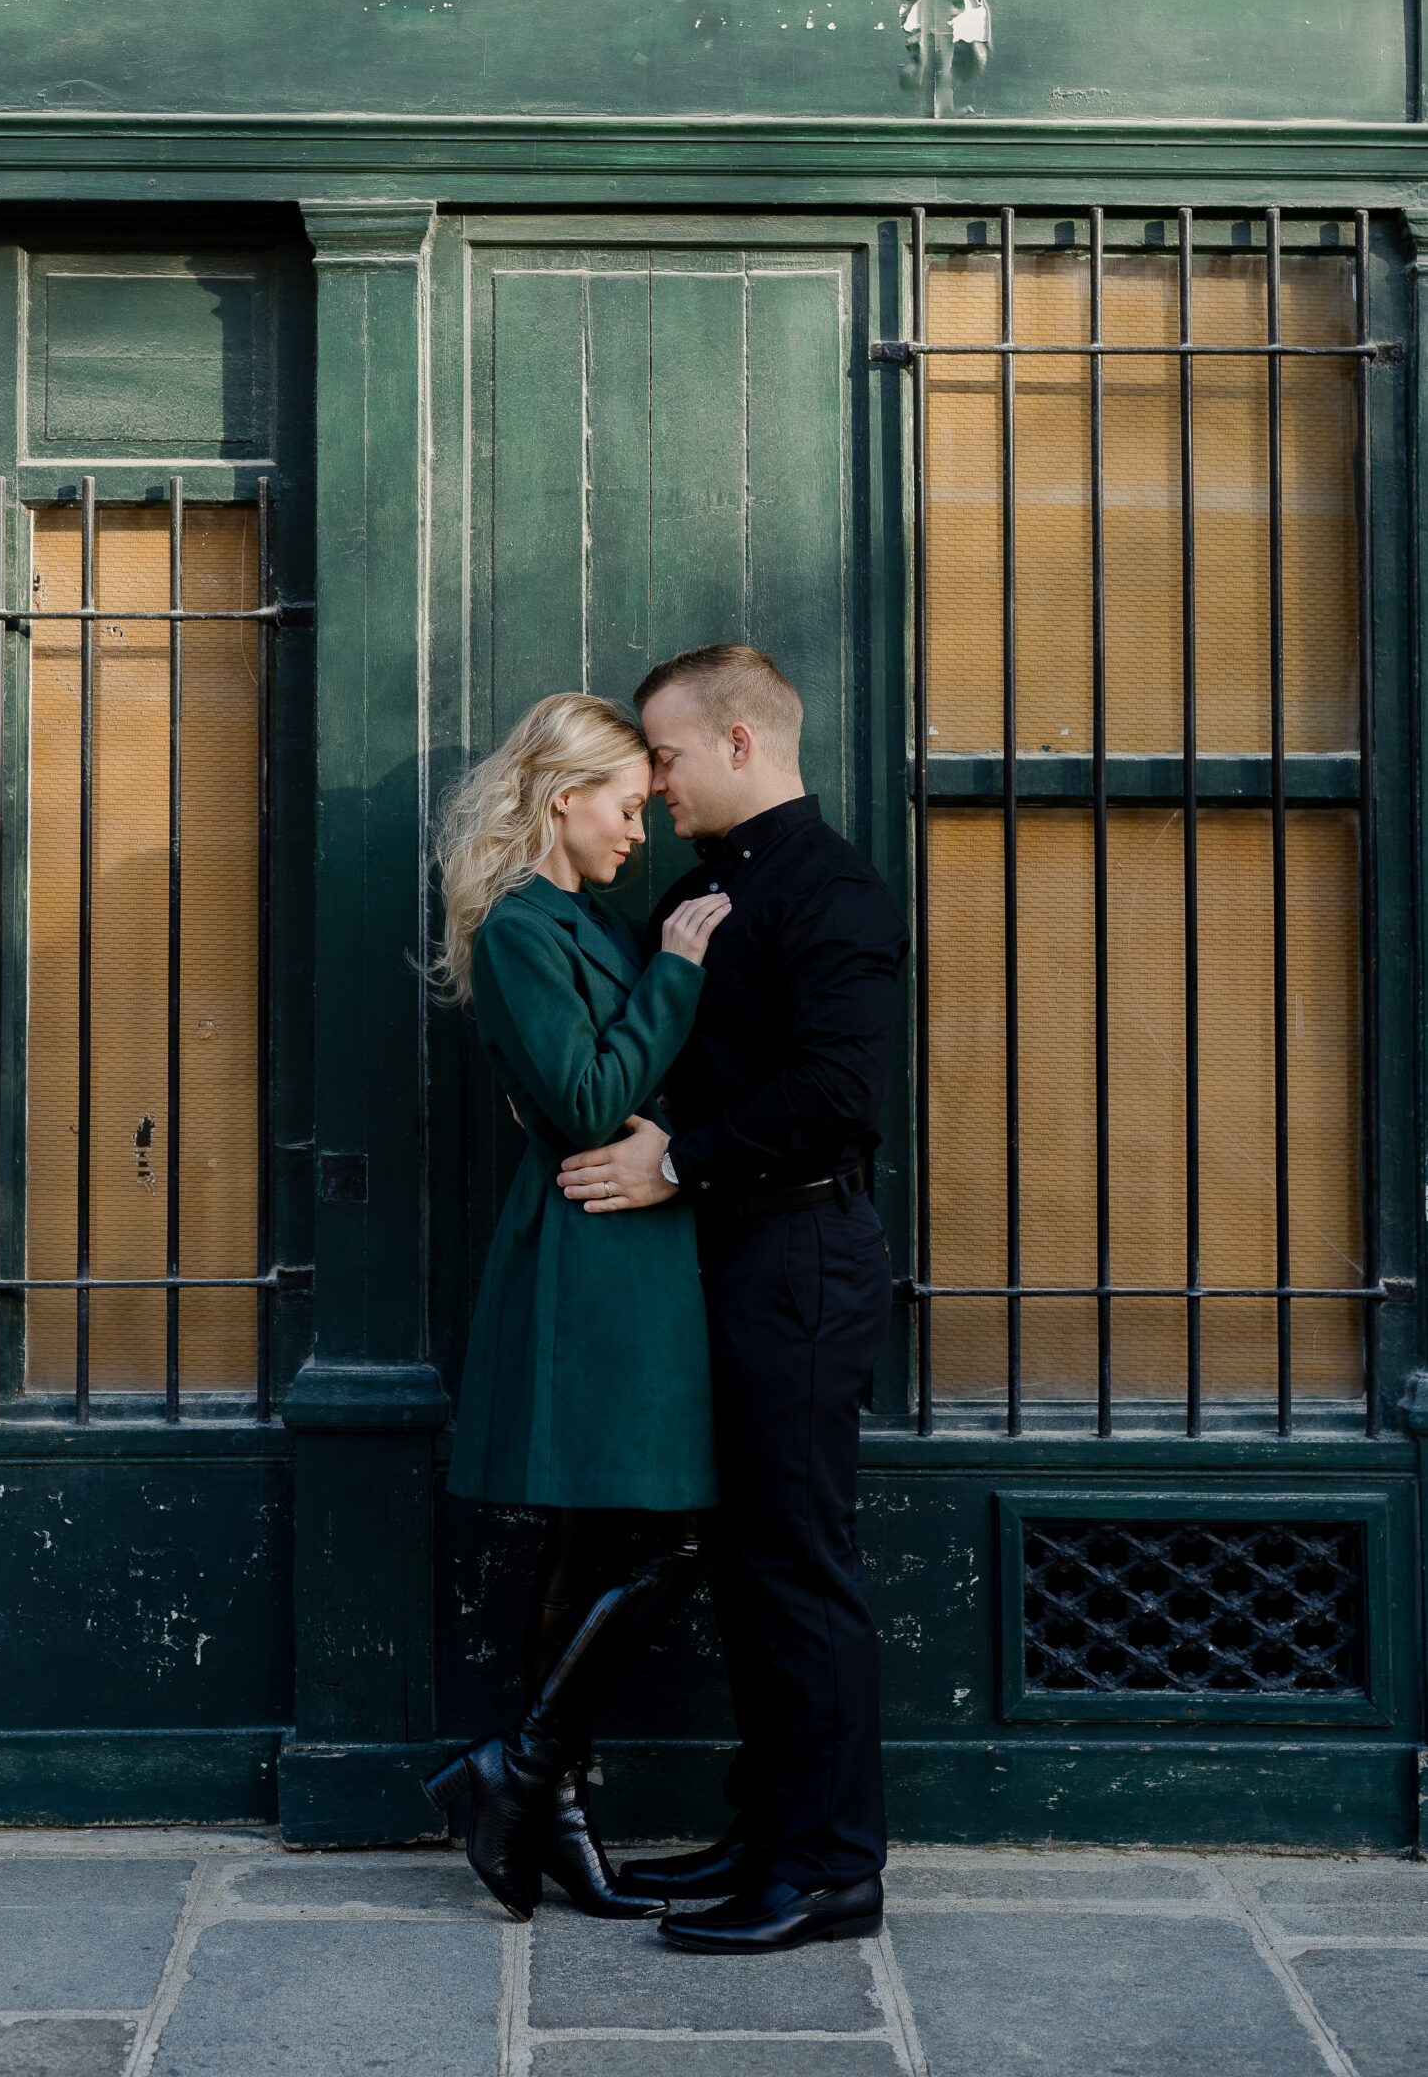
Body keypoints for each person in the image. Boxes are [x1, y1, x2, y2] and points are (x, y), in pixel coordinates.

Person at [557, 644, 908, 1957]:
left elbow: (834, 1097)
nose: (650, 781)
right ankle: (766, 1832)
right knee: (754, 1570)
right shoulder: (708, 892)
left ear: (740, 745)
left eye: (665, 754)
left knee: (799, 1567)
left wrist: (675, 1158)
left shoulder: (834, 892)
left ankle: (827, 1872)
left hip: (800, 1258)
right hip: (730, 1260)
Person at [424, 692, 732, 1922]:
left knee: (597, 1538)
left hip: (630, 1253)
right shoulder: (520, 931)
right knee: (658, 1533)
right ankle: (530, 1775)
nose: (638, 833)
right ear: (564, 798)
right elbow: (593, 1099)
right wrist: (678, 968)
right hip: (590, 1258)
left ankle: (535, 1794)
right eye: (623, 806)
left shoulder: (581, 920)